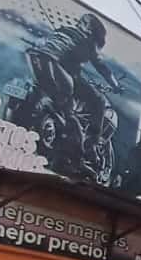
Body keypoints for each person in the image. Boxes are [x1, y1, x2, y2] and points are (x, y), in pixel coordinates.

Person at [25, 13, 121, 175]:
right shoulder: (88, 42)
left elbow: (48, 48)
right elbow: (101, 66)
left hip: (37, 61)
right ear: (93, 33)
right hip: (56, 69)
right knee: (89, 105)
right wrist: (115, 85)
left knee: (68, 104)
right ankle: (83, 152)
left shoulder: (61, 31)